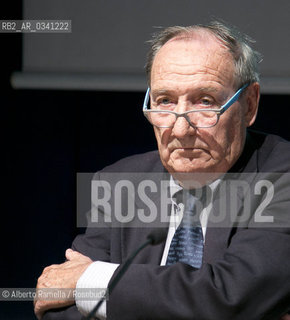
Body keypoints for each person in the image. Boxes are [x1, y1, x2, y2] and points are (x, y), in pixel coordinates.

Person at [34, 21, 290, 319]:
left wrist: (90, 281)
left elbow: (228, 298)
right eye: (165, 101)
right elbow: (58, 304)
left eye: (204, 102)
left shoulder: (281, 177)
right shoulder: (118, 182)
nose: (180, 128)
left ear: (249, 105)